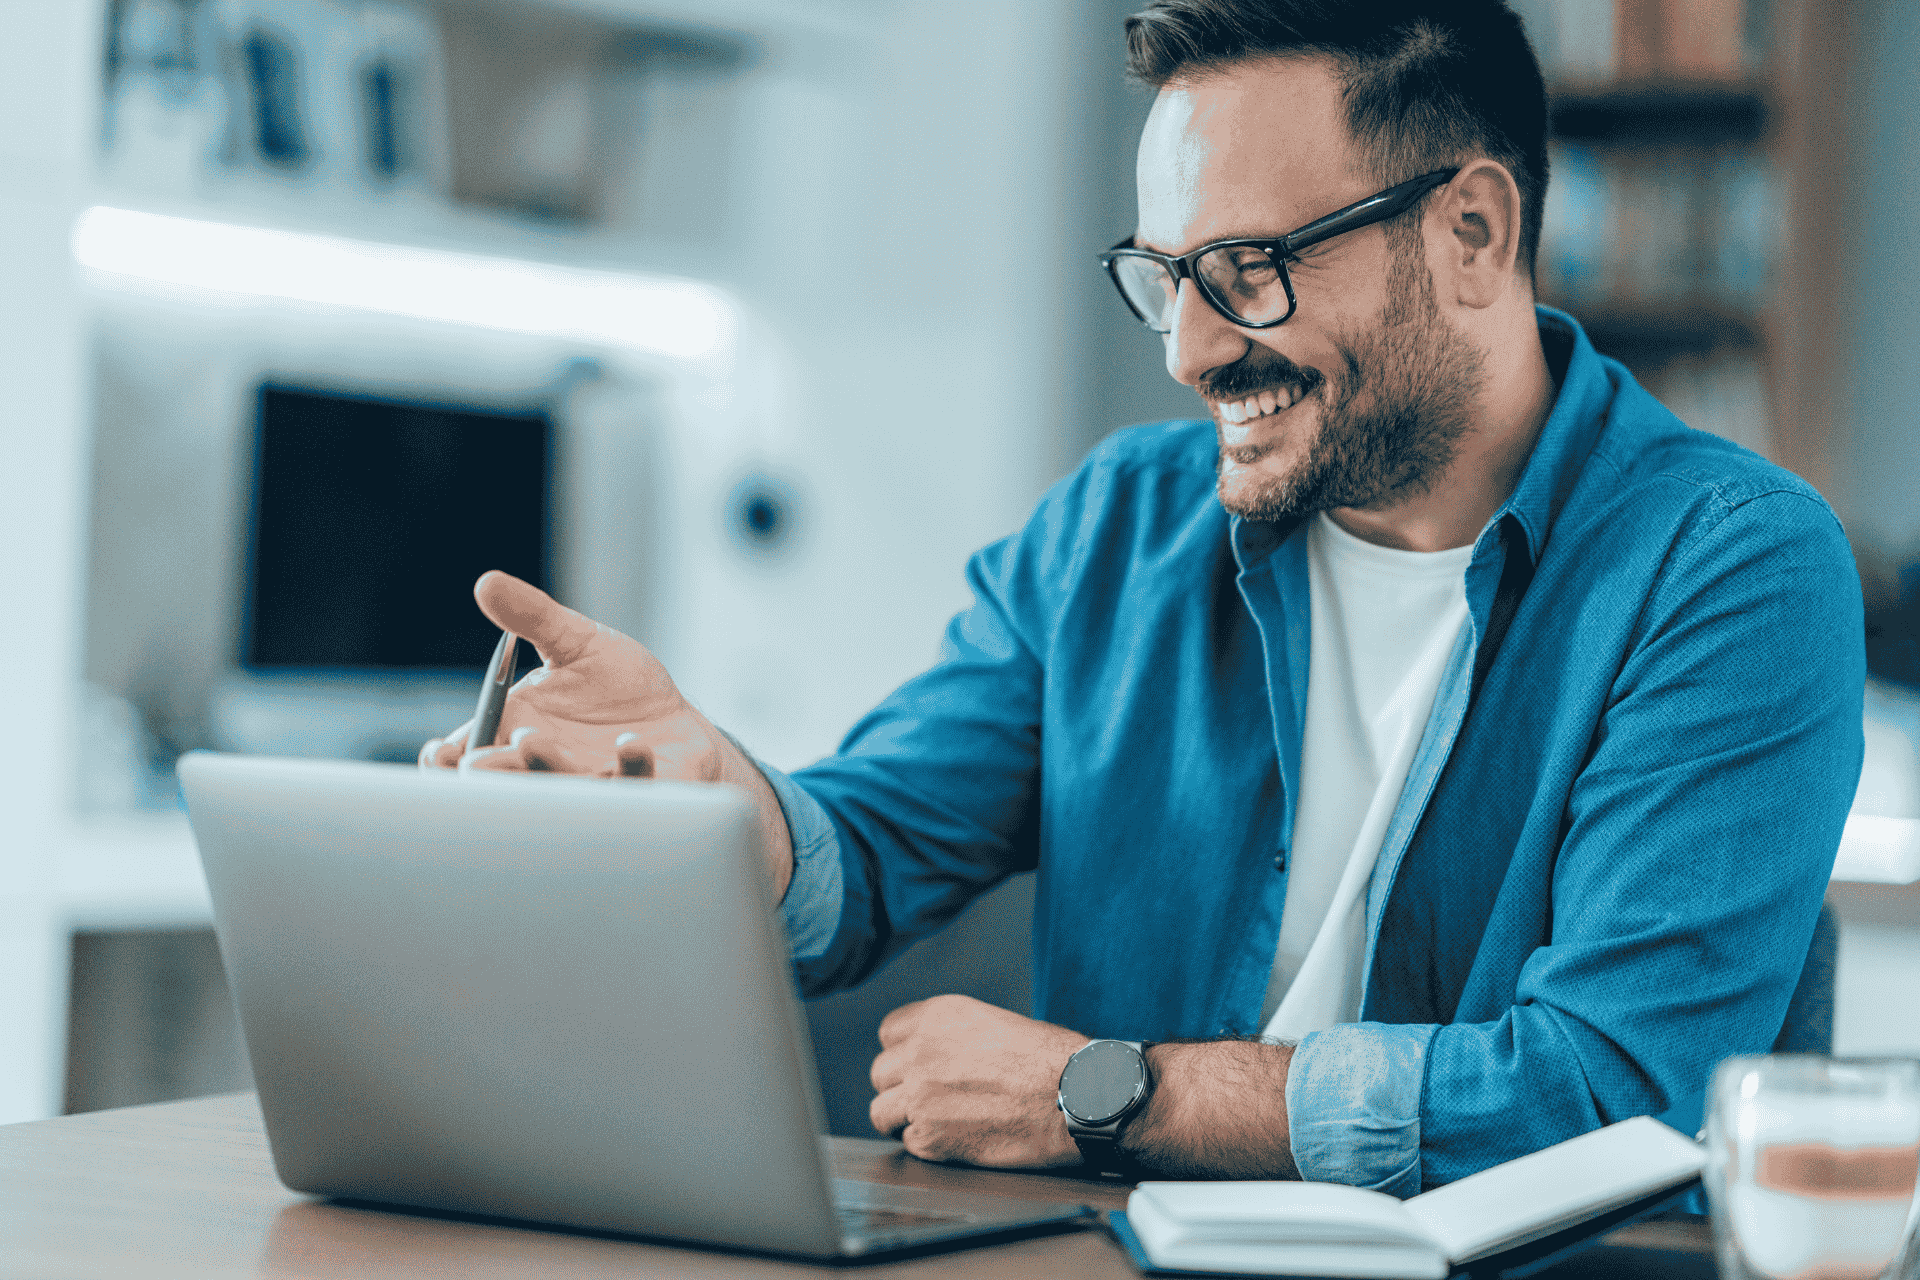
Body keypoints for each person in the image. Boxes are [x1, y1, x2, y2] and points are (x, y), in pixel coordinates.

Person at [421, 0, 1863, 1193]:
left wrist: (1106, 1095)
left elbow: (1613, 1092)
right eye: (1164, 277)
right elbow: (862, 860)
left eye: (1242, 271)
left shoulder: (1729, 565)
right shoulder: (1114, 524)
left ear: (1473, 232)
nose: (1188, 352)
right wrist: (712, 796)